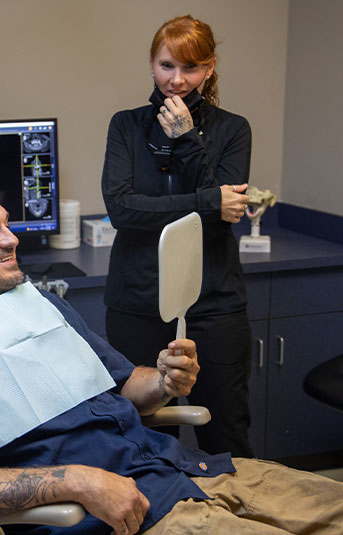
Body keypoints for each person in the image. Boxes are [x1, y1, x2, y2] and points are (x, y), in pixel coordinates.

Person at [0, 188, 343, 535]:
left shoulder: (43, 307)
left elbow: (127, 385)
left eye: (6, 225)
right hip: (126, 516)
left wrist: (165, 380)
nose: (11, 239)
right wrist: (78, 482)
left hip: (185, 471)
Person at [101, 14, 254, 457]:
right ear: (152, 65)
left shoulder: (232, 130)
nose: (178, 80)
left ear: (209, 69)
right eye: (168, 66)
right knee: (145, 438)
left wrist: (187, 138)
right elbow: (122, 209)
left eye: (191, 68)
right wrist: (209, 201)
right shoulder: (126, 127)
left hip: (214, 305)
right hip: (137, 304)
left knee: (225, 434)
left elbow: (222, 221)